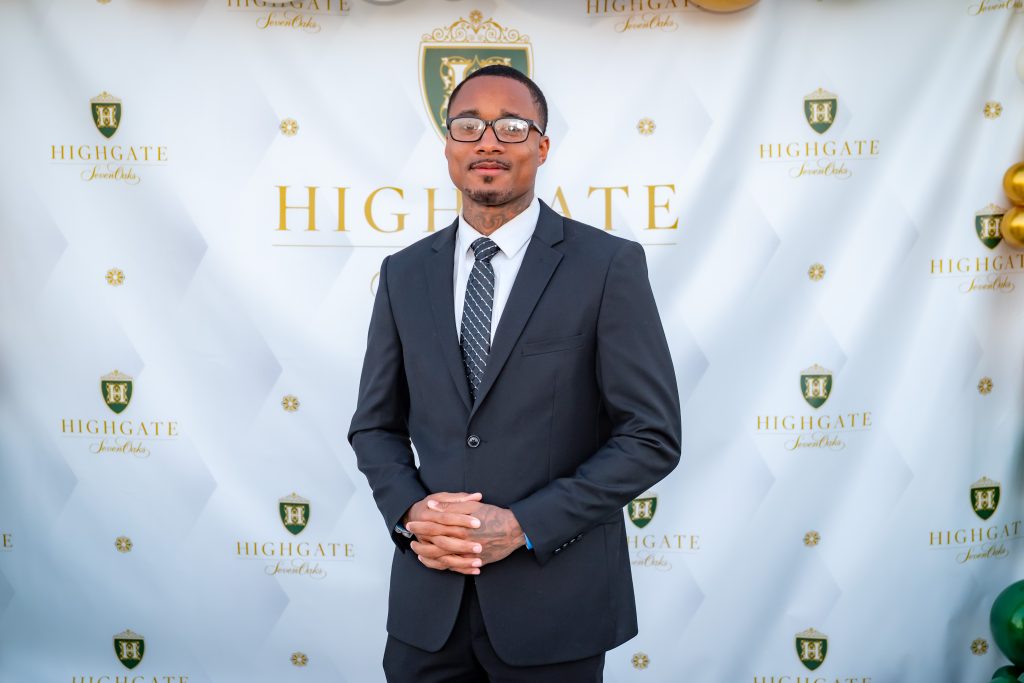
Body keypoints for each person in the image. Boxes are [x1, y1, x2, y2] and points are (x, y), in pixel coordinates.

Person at [348, 64, 681, 682]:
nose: (488, 142)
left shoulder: (607, 266)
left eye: (511, 126)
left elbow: (651, 436)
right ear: (448, 145)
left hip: (557, 610)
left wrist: (525, 525)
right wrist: (410, 513)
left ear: (542, 146)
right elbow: (374, 427)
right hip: (428, 614)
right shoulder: (402, 274)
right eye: (468, 126)